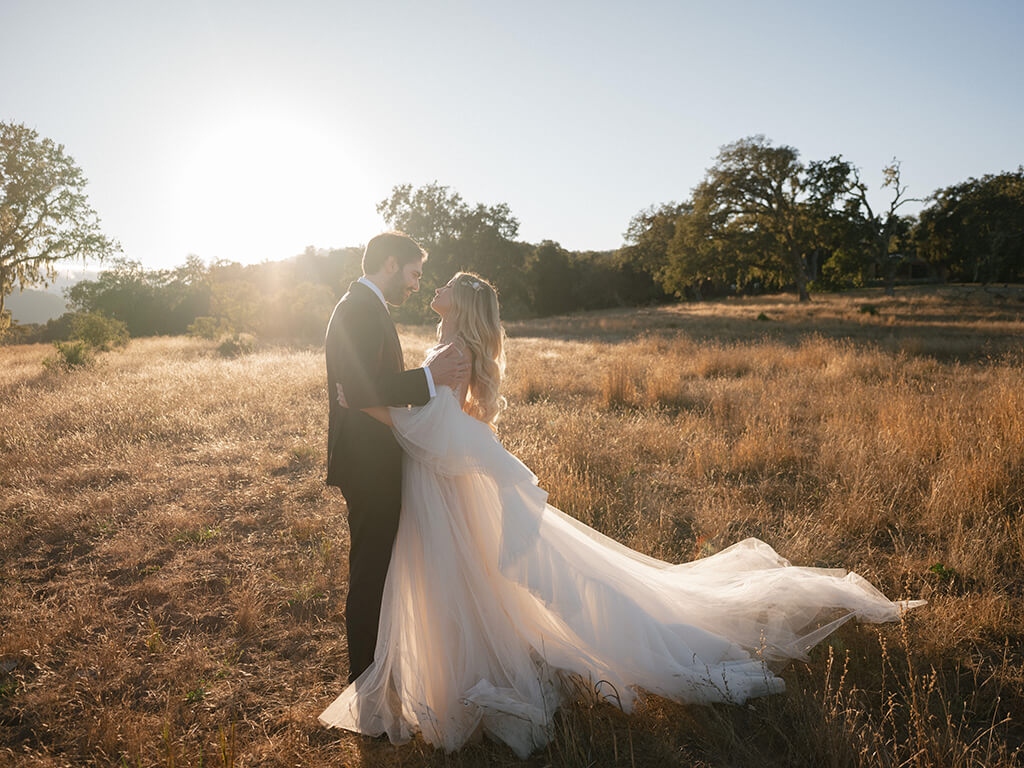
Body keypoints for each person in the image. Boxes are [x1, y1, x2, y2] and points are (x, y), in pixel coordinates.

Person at [320, 271, 925, 759]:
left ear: (464, 305)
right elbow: (445, 419)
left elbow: (438, 429)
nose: (434, 285)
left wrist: (366, 408)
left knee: (467, 580)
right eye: (431, 277)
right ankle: (448, 669)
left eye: (446, 283)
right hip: (444, 485)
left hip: (444, 484)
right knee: (469, 581)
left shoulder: (451, 351)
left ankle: (462, 675)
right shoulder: (449, 347)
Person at [324, 232, 469, 683]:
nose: (416, 285)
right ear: (390, 264)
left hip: (375, 458)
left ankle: (378, 673)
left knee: (381, 570)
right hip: (367, 464)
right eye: (413, 274)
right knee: (371, 573)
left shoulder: (367, 307)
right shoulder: (359, 310)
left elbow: (363, 389)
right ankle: (365, 684)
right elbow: (362, 388)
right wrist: (429, 377)